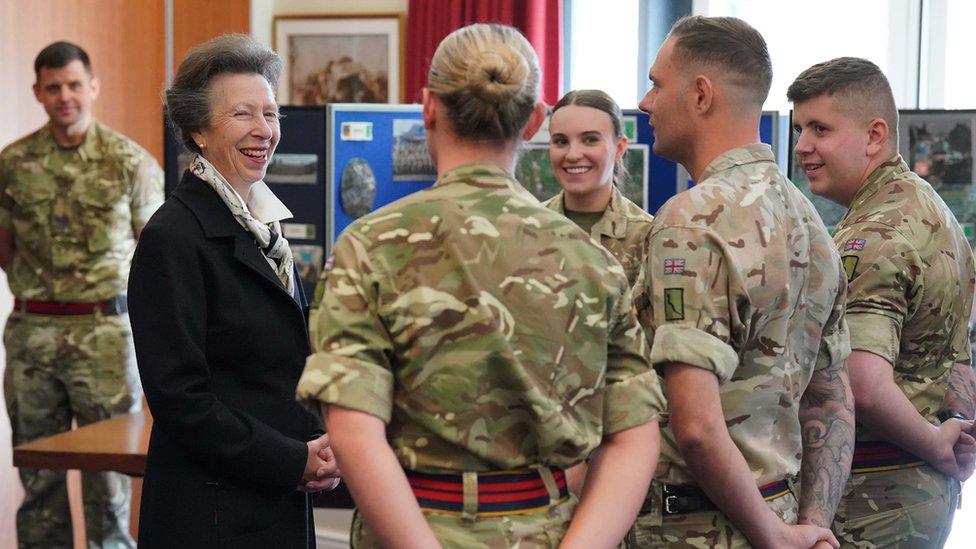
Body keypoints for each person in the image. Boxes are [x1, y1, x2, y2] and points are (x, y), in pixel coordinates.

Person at [297, 23, 664, 548]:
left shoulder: (370, 246)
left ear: (428, 108)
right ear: (536, 120)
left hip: (417, 524)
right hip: (548, 526)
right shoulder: (592, 260)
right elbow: (634, 435)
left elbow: (355, 429)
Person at [628, 16, 855, 548]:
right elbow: (832, 400)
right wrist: (810, 526)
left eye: (658, 84)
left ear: (701, 94)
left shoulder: (691, 219)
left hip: (694, 524)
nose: (645, 102)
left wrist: (774, 538)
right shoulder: (811, 225)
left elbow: (698, 428)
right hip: (780, 508)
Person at [126, 34, 338, 547]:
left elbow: (271, 367)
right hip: (212, 514)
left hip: (273, 498)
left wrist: (317, 448)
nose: (264, 130)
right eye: (244, 114)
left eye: (271, 114)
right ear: (198, 130)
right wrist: (293, 459)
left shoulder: (262, 225)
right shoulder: (172, 237)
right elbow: (181, 402)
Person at [789, 56, 976, 547]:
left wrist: (939, 445)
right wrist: (953, 433)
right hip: (919, 492)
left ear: (874, 135)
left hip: (873, 497)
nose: (802, 147)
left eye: (820, 129)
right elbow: (957, 356)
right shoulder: (931, 211)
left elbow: (863, 384)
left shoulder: (871, 235)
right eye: (799, 129)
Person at [0, 41, 163, 548]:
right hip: (33, 339)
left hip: (106, 339)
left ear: (92, 87)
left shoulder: (128, 162)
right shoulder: (12, 164)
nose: (64, 96)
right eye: (53, 87)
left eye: (74, 85)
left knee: (108, 483)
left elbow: (157, 254)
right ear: (38, 93)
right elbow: (4, 247)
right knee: (39, 477)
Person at [543, 89, 653, 287]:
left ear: (619, 148)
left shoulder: (647, 236)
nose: (573, 154)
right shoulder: (527, 228)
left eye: (590, 140)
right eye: (561, 141)